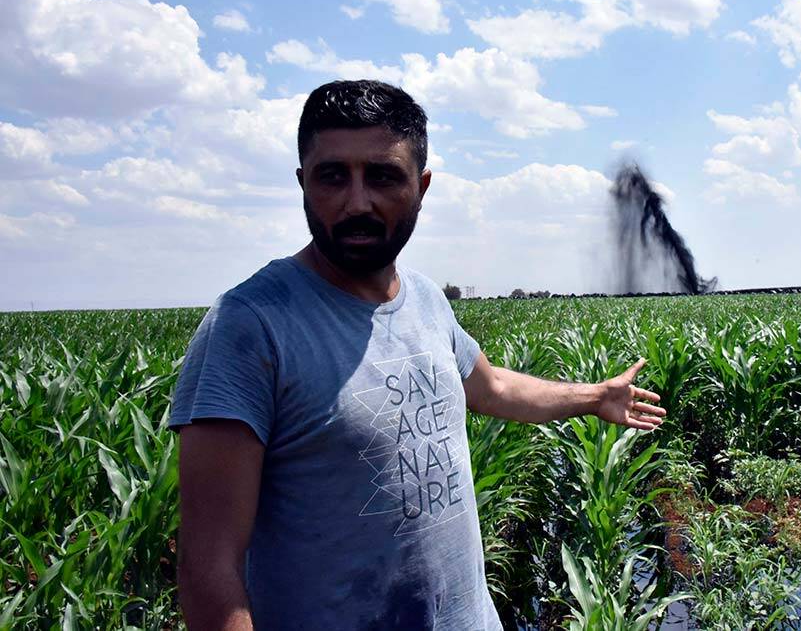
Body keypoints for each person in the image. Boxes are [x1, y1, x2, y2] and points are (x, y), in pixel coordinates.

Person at [168, 79, 667, 630]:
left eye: (383, 176)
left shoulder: (425, 298)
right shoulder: (250, 326)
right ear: (302, 183)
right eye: (333, 175)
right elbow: (209, 567)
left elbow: (491, 387)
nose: (357, 202)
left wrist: (596, 396)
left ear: (422, 185)